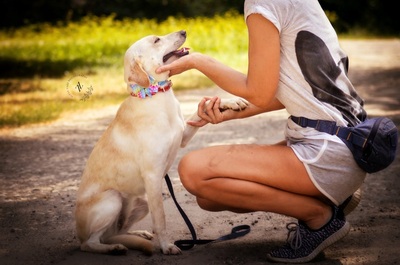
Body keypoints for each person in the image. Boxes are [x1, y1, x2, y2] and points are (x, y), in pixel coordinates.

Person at [156, 0, 367, 263]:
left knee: (193, 170)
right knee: (208, 197)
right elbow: (294, 91)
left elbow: (259, 91)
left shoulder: (262, 2)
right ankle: (332, 196)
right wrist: (231, 112)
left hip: (329, 150)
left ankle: (319, 217)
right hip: (348, 143)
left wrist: (197, 60)